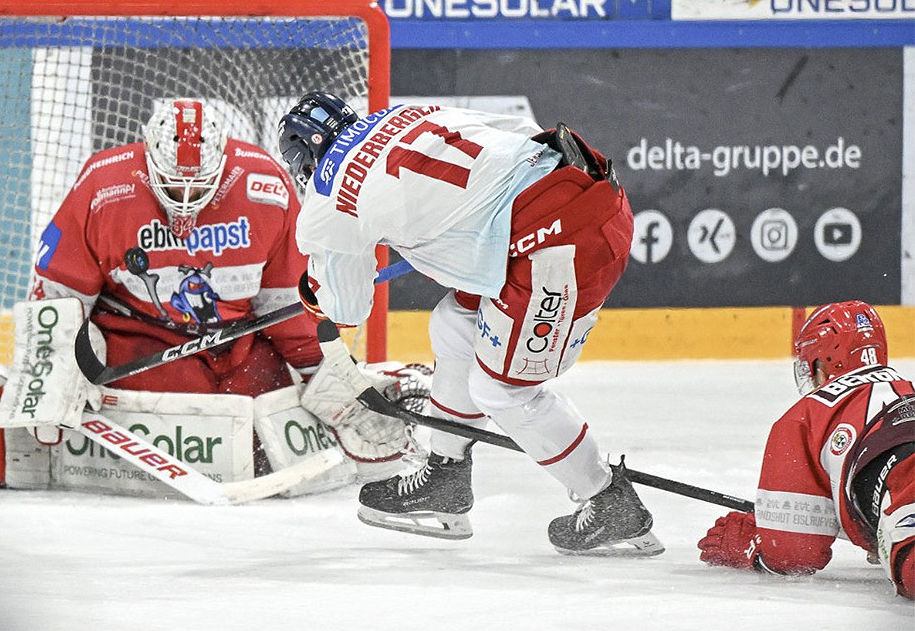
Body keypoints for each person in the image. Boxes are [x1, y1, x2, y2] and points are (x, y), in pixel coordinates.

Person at [277, 92, 662, 556]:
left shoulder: (327, 195)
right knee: (454, 324)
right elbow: (521, 135)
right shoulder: (403, 113)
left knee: (502, 391)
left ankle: (609, 501)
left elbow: (348, 307)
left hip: (557, 243)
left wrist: (315, 294)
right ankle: (446, 475)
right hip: (581, 187)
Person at [0, 98, 323, 485]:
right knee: (185, 412)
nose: (186, 197)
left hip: (236, 344)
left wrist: (319, 370)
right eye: (172, 183)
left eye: (200, 185)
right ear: (148, 157)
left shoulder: (264, 188)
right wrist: (51, 373)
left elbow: (285, 298)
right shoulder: (105, 186)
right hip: (142, 342)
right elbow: (59, 295)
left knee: (273, 425)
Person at [697, 301, 914, 599]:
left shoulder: (805, 416)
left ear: (822, 362)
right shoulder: (907, 389)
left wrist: (749, 544)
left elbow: (793, 555)